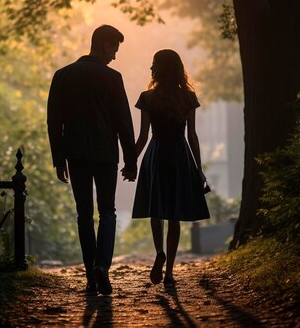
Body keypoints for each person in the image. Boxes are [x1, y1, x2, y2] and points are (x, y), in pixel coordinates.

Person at [47, 25, 137, 296]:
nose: (115, 56)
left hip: (75, 153)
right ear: (106, 45)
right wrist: (131, 160)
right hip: (105, 154)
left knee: (84, 215)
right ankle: (102, 266)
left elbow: (54, 121)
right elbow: (123, 121)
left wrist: (58, 157)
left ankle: (90, 277)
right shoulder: (112, 78)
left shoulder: (63, 76)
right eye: (115, 49)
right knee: (107, 211)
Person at [132, 49, 210, 288]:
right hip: (179, 154)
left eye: (154, 64)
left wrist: (129, 161)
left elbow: (143, 136)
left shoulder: (147, 97)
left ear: (161, 68)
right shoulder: (188, 97)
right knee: (174, 214)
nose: (151, 68)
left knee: (156, 210)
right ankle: (169, 273)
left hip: (156, 154)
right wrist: (199, 168)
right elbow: (193, 136)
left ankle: (159, 252)